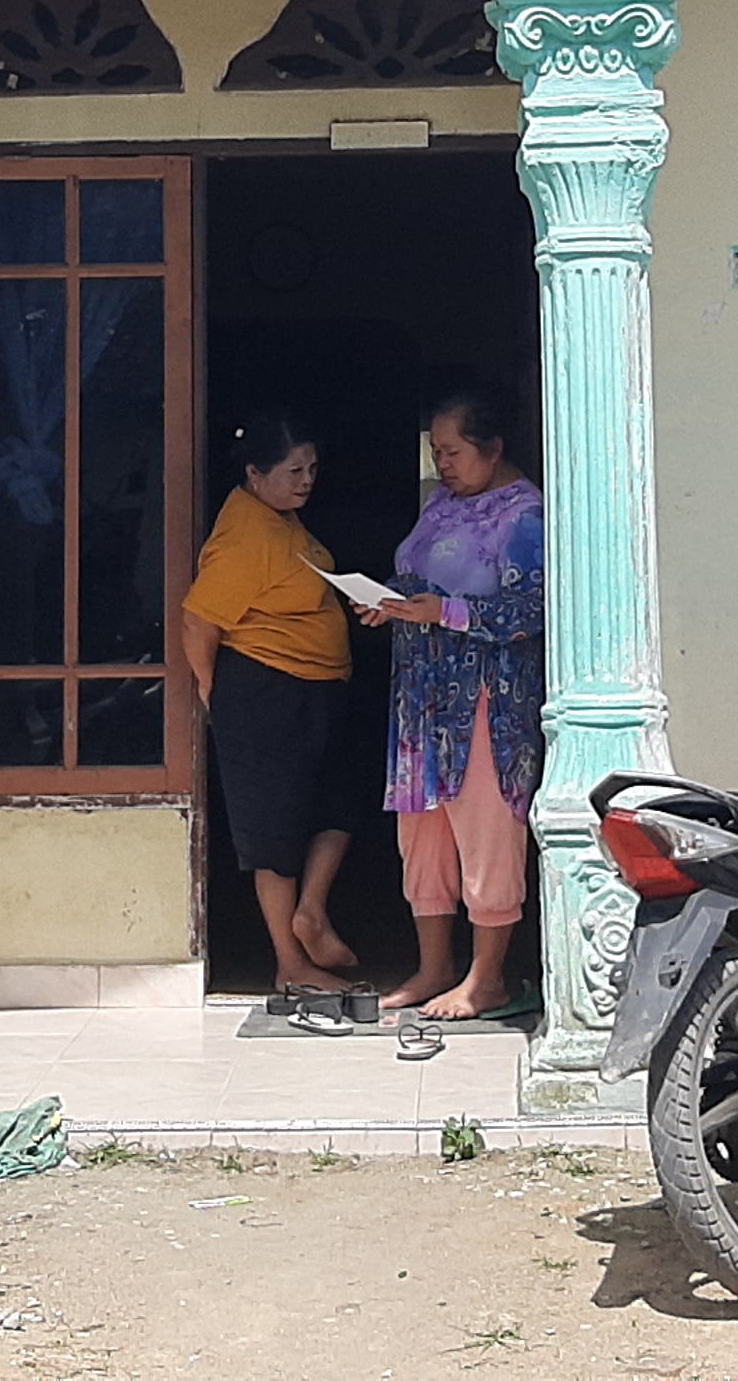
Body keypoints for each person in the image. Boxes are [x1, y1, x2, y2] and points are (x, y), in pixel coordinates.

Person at [359, 389, 543, 1021]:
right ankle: (434, 967)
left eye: (454, 452)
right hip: (420, 698)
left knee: (487, 829)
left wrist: (446, 612)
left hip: (485, 700)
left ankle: (486, 979)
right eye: (436, 451)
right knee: (424, 834)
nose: (442, 464)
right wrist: (389, 600)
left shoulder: (523, 516)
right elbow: (420, 575)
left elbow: (531, 610)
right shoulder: (441, 502)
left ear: (493, 449)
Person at [179, 411, 363, 999]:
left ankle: (311, 912)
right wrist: (211, 688)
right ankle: (290, 963)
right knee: (274, 834)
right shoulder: (246, 535)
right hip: (264, 692)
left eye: (311, 469)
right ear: (255, 475)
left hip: (316, 687)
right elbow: (198, 620)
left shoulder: (282, 518)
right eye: (292, 471)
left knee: (339, 805)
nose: (306, 481)